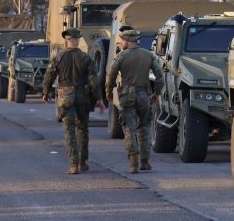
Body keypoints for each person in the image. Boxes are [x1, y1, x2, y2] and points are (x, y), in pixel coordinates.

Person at [42, 27, 104, 174]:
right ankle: (82, 162)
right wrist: (99, 99)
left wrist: (46, 92)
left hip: (65, 97)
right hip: (82, 96)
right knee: (82, 129)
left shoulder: (58, 57)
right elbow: (94, 81)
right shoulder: (86, 58)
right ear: (77, 40)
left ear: (66, 41)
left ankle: (73, 165)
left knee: (69, 131)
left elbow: (48, 75)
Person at [106, 29, 164, 174]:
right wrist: (156, 93)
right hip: (144, 95)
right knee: (144, 128)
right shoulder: (148, 55)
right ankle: (145, 162)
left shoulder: (121, 56)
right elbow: (160, 77)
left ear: (126, 41)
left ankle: (133, 163)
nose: (122, 43)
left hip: (126, 95)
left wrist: (109, 91)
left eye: (122, 41)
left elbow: (111, 75)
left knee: (129, 129)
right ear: (136, 40)